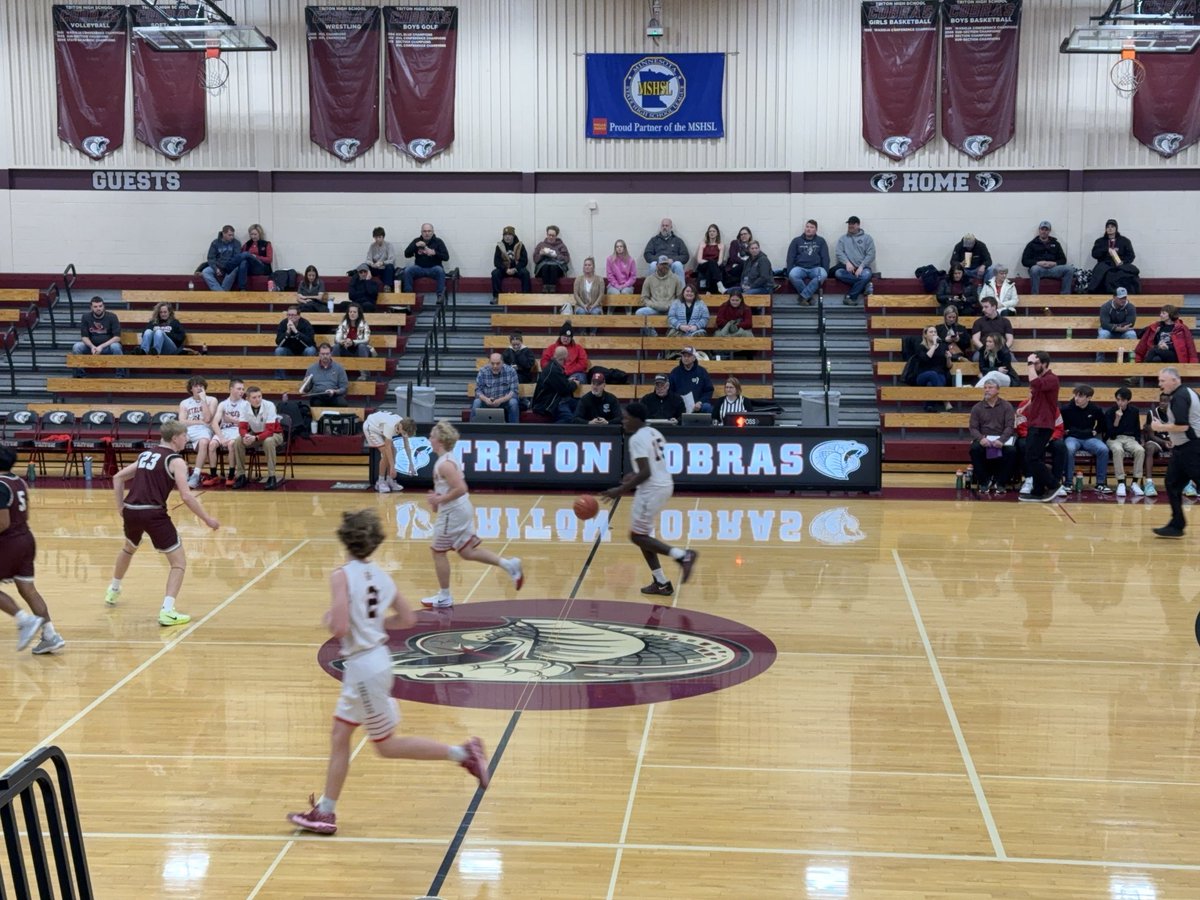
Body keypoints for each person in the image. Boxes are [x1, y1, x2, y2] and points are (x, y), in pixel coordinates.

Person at [285, 509, 490, 836]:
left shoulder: (341, 575)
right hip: (376, 660)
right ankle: (325, 811)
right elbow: (408, 618)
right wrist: (375, 623)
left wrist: (333, 620)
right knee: (340, 736)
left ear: (345, 539)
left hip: (364, 668)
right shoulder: (382, 576)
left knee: (386, 745)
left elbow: (338, 628)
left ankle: (464, 753)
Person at [105, 420, 220, 626]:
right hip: (153, 513)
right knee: (179, 563)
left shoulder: (145, 454)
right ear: (175, 438)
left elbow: (117, 477)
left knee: (129, 548)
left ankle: (113, 590)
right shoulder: (176, 461)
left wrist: (120, 507)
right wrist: (207, 519)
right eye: (185, 435)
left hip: (132, 511)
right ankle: (167, 610)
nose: (187, 438)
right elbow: (186, 496)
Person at [420, 421, 523, 607]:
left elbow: (461, 488)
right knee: (467, 552)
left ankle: (444, 596)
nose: (429, 439)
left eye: (432, 436)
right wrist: (437, 498)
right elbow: (451, 488)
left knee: (438, 552)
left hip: (453, 512)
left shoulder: (445, 464)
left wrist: (439, 500)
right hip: (460, 509)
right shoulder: (446, 459)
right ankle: (509, 565)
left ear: (440, 440)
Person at [600, 402, 698, 596]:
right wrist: (632, 475)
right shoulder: (654, 432)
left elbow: (645, 472)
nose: (623, 421)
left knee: (637, 536)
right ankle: (661, 582)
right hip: (664, 484)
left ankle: (682, 556)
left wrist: (619, 490)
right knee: (642, 535)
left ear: (637, 419)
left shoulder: (636, 439)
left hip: (651, 489)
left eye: (627, 417)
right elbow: (651, 465)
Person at [0, 446, 65, 655]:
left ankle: (24, 620)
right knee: (28, 589)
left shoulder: (0, 486)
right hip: (26, 539)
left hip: (9, 541)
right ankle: (50, 635)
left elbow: (2, 523)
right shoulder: (19, 481)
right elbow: (25, 515)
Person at [1151, 367, 1200, 537]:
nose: (1160, 384)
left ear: (1174, 380)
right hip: (1183, 447)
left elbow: (1183, 425)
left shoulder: (1179, 397)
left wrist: (1160, 427)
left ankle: (1177, 524)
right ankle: (1177, 524)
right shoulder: (1186, 392)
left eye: (1162, 380)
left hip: (1192, 448)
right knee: (1172, 483)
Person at [1018, 351, 1062, 503]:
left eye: (1036, 363)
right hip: (1035, 423)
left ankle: (1054, 484)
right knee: (1035, 458)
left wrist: (1029, 364)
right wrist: (1024, 409)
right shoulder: (1043, 379)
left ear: (1044, 364)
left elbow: (1035, 384)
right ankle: (1037, 491)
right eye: (1032, 364)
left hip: (1043, 424)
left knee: (1032, 458)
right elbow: (1036, 395)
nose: (1034, 366)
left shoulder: (1052, 379)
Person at [1061, 384, 1112, 494]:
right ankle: (1068, 483)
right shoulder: (1066, 408)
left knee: (1103, 449)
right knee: (1069, 449)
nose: (1076, 399)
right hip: (1072, 437)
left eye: (1080, 396)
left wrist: (1096, 430)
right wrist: (1065, 431)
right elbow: (1060, 423)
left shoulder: (1095, 409)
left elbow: (1103, 424)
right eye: (1076, 396)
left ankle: (1100, 483)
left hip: (1089, 438)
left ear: (1088, 398)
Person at [1015, 395, 1068, 497]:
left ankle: (1056, 481)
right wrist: (1036, 440)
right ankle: (1029, 479)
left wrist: (1049, 438)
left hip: (1048, 438)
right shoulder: (1023, 405)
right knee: (1023, 445)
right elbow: (1021, 427)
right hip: (1030, 437)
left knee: (1060, 446)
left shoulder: (1052, 407)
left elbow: (1059, 428)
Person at [968, 381, 1016, 493]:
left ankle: (1001, 482)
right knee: (975, 449)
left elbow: (1009, 426)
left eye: (990, 387)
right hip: (984, 438)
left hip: (1001, 438)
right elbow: (973, 428)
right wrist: (981, 439)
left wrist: (1001, 440)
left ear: (998, 390)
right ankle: (984, 482)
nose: (987, 390)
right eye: (985, 387)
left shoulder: (1006, 406)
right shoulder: (977, 408)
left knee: (1012, 451)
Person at [238, 385, 284, 491]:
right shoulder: (244, 406)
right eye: (254, 397)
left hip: (275, 434)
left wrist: (255, 438)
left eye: (259, 396)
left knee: (268, 441)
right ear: (248, 399)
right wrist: (245, 436)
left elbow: (270, 430)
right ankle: (241, 476)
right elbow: (242, 427)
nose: (258, 399)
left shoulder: (270, 405)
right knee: (237, 441)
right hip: (255, 434)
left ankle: (272, 477)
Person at [210, 379, 252, 489]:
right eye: (239, 389)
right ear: (231, 389)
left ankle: (232, 474)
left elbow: (248, 425)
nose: (242, 391)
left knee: (231, 444)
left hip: (238, 431)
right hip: (224, 431)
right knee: (212, 445)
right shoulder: (223, 404)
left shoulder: (246, 404)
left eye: (243, 389)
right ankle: (213, 475)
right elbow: (214, 423)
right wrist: (221, 438)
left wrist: (232, 420)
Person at [1106, 386, 1145, 498]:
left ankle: (1135, 483)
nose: (1120, 403)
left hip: (1130, 438)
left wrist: (1138, 440)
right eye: (1118, 400)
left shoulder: (1134, 411)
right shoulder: (1110, 412)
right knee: (1118, 450)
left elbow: (1137, 429)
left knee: (1140, 450)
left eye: (1123, 400)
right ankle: (1121, 482)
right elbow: (1110, 433)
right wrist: (1117, 419)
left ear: (1128, 401)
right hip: (1114, 438)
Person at [179, 375, 218, 489]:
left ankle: (196, 474)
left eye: (201, 386)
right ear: (191, 389)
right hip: (188, 429)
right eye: (196, 386)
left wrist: (203, 400)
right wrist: (199, 421)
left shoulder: (212, 400)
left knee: (204, 442)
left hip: (204, 430)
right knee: (171, 438)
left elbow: (207, 419)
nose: (199, 388)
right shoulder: (184, 402)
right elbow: (181, 421)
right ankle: (182, 468)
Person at [73, 296, 124, 377]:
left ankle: (120, 375)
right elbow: (84, 337)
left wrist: (101, 347)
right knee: (77, 347)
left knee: (116, 347)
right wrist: (92, 347)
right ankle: (80, 375)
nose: (98, 308)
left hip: (108, 347)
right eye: (95, 306)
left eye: (100, 306)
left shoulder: (112, 316)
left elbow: (117, 337)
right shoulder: (86, 317)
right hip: (92, 347)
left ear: (104, 306)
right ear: (91, 307)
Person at [1088, 219, 1139, 295]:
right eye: (1108, 227)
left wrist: (1123, 262)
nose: (1110, 228)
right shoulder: (1100, 241)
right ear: (1106, 229)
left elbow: (1131, 255)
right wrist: (1106, 250)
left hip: (1120, 264)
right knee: (1106, 274)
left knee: (1130, 272)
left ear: (1116, 228)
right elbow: (1094, 254)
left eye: (1112, 226)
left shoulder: (1125, 241)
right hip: (1105, 264)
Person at [1021, 221, 1073, 295]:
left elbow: (1063, 260)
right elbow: (1024, 261)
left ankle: (1065, 295)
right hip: (1039, 269)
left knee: (1069, 269)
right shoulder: (1031, 244)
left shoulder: (1056, 244)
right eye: (1042, 229)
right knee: (1034, 269)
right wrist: (1038, 263)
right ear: (1039, 230)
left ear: (1049, 231)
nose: (1044, 232)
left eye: (1046, 230)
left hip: (1053, 269)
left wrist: (1054, 263)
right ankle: (1035, 296)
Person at [364, 410, 409, 494]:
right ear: (401, 427)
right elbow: (387, 448)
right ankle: (380, 482)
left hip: (380, 427)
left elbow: (407, 445)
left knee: (393, 450)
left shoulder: (404, 425)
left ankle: (389, 480)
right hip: (371, 427)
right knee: (385, 453)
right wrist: (392, 467)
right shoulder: (391, 425)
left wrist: (411, 464)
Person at [834, 216, 876, 305]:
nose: (850, 226)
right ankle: (865, 284)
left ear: (858, 225)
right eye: (849, 224)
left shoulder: (867, 238)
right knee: (838, 273)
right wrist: (847, 263)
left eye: (853, 224)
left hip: (863, 269)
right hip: (848, 270)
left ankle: (850, 297)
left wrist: (861, 266)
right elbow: (839, 252)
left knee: (866, 274)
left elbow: (871, 254)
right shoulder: (843, 239)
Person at [786, 219, 829, 305]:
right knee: (792, 274)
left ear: (816, 230)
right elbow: (790, 257)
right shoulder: (796, 241)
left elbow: (825, 257)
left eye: (811, 227)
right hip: (800, 267)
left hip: (815, 268)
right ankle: (808, 297)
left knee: (823, 274)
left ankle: (803, 296)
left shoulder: (821, 241)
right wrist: (789, 271)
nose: (808, 229)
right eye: (807, 227)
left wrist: (826, 271)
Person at [636, 255, 683, 334]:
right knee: (639, 313)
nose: (664, 266)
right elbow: (644, 298)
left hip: (670, 309)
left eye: (666, 264)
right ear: (657, 265)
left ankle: (672, 332)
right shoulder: (649, 279)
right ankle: (651, 333)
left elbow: (680, 297)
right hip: (654, 308)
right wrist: (654, 305)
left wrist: (671, 305)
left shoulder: (676, 278)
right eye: (662, 264)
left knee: (682, 312)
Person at [530, 345, 577, 423]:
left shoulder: (553, 366)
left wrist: (568, 381)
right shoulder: (554, 370)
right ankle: (551, 432)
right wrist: (575, 384)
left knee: (580, 406)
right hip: (547, 403)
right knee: (568, 418)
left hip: (555, 399)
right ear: (564, 358)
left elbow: (560, 383)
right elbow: (565, 389)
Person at [294, 343, 349, 408]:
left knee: (342, 403)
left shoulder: (339, 368)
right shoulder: (311, 368)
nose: (325, 356)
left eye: (327, 354)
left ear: (331, 354)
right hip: (318, 396)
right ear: (319, 354)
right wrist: (305, 383)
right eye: (323, 354)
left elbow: (344, 388)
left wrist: (335, 391)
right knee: (316, 403)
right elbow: (306, 390)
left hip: (334, 395)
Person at [402, 223, 450, 296]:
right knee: (408, 270)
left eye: (429, 231)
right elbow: (406, 254)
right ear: (421, 232)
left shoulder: (438, 241)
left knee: (440, 271)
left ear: (433, 232)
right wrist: (415, 246)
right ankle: (408, 295)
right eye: (424, 231)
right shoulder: (416, 241)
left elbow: (446, 257)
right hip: (419, 268)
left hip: (434, 268)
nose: (427, 233)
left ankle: (440, 296)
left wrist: (434, 253)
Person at [909, 325, 949, 412]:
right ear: (925, 335)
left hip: (940, 374)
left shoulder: (943, 346)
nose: (934, 334)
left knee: (931, 383)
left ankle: (929, 406)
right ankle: (945, 400)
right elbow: (926, 358)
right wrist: (934, 345)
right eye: (931, 332)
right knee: (932, 374)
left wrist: (949, 358)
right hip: (922, 375)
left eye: (935, 332)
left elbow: (948, 365)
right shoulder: (920, 347)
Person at [471, 353, 519, 424]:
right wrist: (486, 399)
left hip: (504, 401)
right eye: (492, 363)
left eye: (498, 363)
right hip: (487, 401)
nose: (495, 366)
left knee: (513, 403)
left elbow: (513, 392)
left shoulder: (511, 371)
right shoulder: (483, 371)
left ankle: (514, 431)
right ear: (489, 362)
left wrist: (500, 400)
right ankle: (473, 430)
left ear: (502, 363)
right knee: (476, 402)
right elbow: (478, 390)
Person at [1141, 392, 1171, 499]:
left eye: (1166, 401)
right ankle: (1149, 483)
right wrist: (1164, 442)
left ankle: (1189, 484)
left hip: (1173, 442)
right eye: (1161, 400)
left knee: (1188, 448)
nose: (1162, 403)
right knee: (1149, 447)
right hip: (1157, 442)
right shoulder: (1152, 413)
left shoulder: (1178, 413)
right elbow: (1151, 435)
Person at [668, 346, 714, 415]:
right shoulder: (675, 372)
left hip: (698, 406)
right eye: (684, 356)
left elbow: (709, 390)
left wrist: (700, 402)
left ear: (694, 358)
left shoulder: (702, 372)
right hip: (680, 406)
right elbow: (670, 391)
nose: (686, 358)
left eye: (689, 356)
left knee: (707, 407)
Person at [334, 304, 374, 380]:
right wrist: (343, 341)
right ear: (348, 313)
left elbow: (366, 340)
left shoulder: (364, 324)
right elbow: (337, 339)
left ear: (358, 314)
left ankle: (364, 374)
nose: (352, 314)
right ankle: (335, 373)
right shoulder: (343, 323)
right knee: (336, 347)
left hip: (359, 350)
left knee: (362, 346)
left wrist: (353, 342)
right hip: (346, 348)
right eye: (350, 312)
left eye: (355, 312)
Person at [491, 225, 530, 302]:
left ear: (513, 236)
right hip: (505, 270)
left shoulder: (520, 246)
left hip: (516, 269)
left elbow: (524, 261)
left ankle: (526, 296)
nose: (507, 237)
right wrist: (506, 269)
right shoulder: (499, 246)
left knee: (525, 273)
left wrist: (515, 269)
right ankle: (497, 297)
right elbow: (497, 262)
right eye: (505, 235)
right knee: (495, 273)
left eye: (509, 235)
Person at [234, 223, 273, 290]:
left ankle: (230, 265)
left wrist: (255, 257)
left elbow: (269, 259)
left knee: (246, 254)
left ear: (259, 234)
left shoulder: (266, 244)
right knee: (244, 261)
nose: (253, 236)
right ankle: (242, 289)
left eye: (255, 234)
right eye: (251, 234)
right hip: (249, 268)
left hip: (261, 268)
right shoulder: (247, 244)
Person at [532, 225, 570, 292]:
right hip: (543, 268)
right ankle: (545, 289)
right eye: (549, 235)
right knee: (546, 267)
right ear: (546, 234)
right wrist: (541, 254)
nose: (551, 237)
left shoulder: (561, 245)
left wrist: (556, 255)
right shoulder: (541, 245)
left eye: (553, 235)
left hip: (557, 268)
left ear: (556, 236)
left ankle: (552, 290)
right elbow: (535, 259)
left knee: (553, 267)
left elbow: (567, 259)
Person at [202, 225, 240, 291]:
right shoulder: (215, 243)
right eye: (229, 235)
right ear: (223, 233)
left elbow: (236, 257)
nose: (232, 237)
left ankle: (220, 294)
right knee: (205, 271)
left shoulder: (236, 243)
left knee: (235, 268)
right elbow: (211, 258)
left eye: (232, 235)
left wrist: (226, 266)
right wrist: (215, 268)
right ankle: (221, 293)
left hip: (230, 266)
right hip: (218, 266)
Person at [694, 224, 725, 295]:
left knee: (711, 267)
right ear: (708, 233)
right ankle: (719, 284)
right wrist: (711, 263)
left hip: (715, 266)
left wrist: (713, 265)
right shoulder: (703, 244)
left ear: (717, 233)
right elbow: (699, 260)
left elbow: (720, 261)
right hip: (703, 266)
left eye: (714, 231)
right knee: (711, 262)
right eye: (710, 231)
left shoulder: (721, 245)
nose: (711, 233)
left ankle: (709, 290)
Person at [363, 226, 396, 290]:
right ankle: (363, 284)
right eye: (376, 237)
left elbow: (392, 260)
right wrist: (372, 264)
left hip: (384, 268)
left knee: (390, 266)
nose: (377, 239)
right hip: (375, 268)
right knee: (364, 266)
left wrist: (382, 263)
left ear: (383, 237)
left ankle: (387, 286)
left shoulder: (389, 245)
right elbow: (368, 259)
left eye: (379, 237)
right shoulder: (372, 246)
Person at [722, 226, 753, 291]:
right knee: (747, 265)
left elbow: (760, 256)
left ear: (749, 235)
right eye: (741, 234)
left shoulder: (752, 246)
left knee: (762, 262)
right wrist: (746, 263)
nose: (743, 236)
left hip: (747, 270)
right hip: (734, 269)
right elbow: (733, 258)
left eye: (745, 234)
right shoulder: (735, 243)